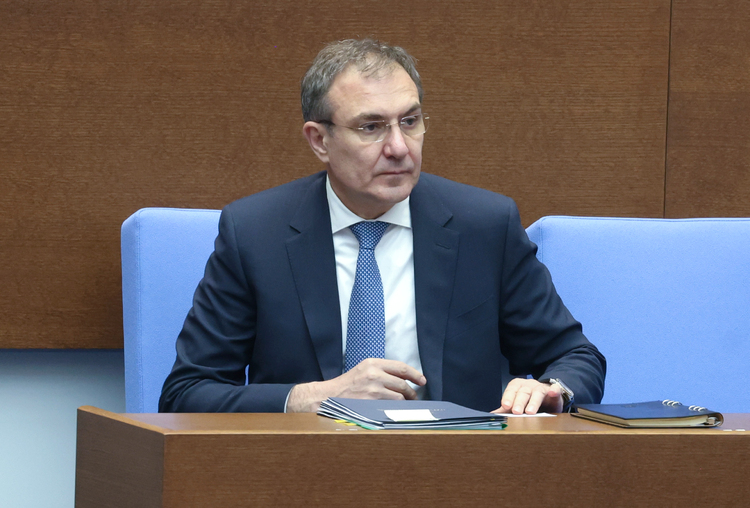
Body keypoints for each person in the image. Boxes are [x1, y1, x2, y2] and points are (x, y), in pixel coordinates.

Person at [159, 38, 606, 415]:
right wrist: (313, 398)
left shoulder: (484, 225)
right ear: (319, 140)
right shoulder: (256, 234)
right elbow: (186, 393)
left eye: (410, 122)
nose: (399, 147)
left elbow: (576, 357)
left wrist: (552, 390)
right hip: (305, 467)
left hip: (455, 465)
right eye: (371, 127)